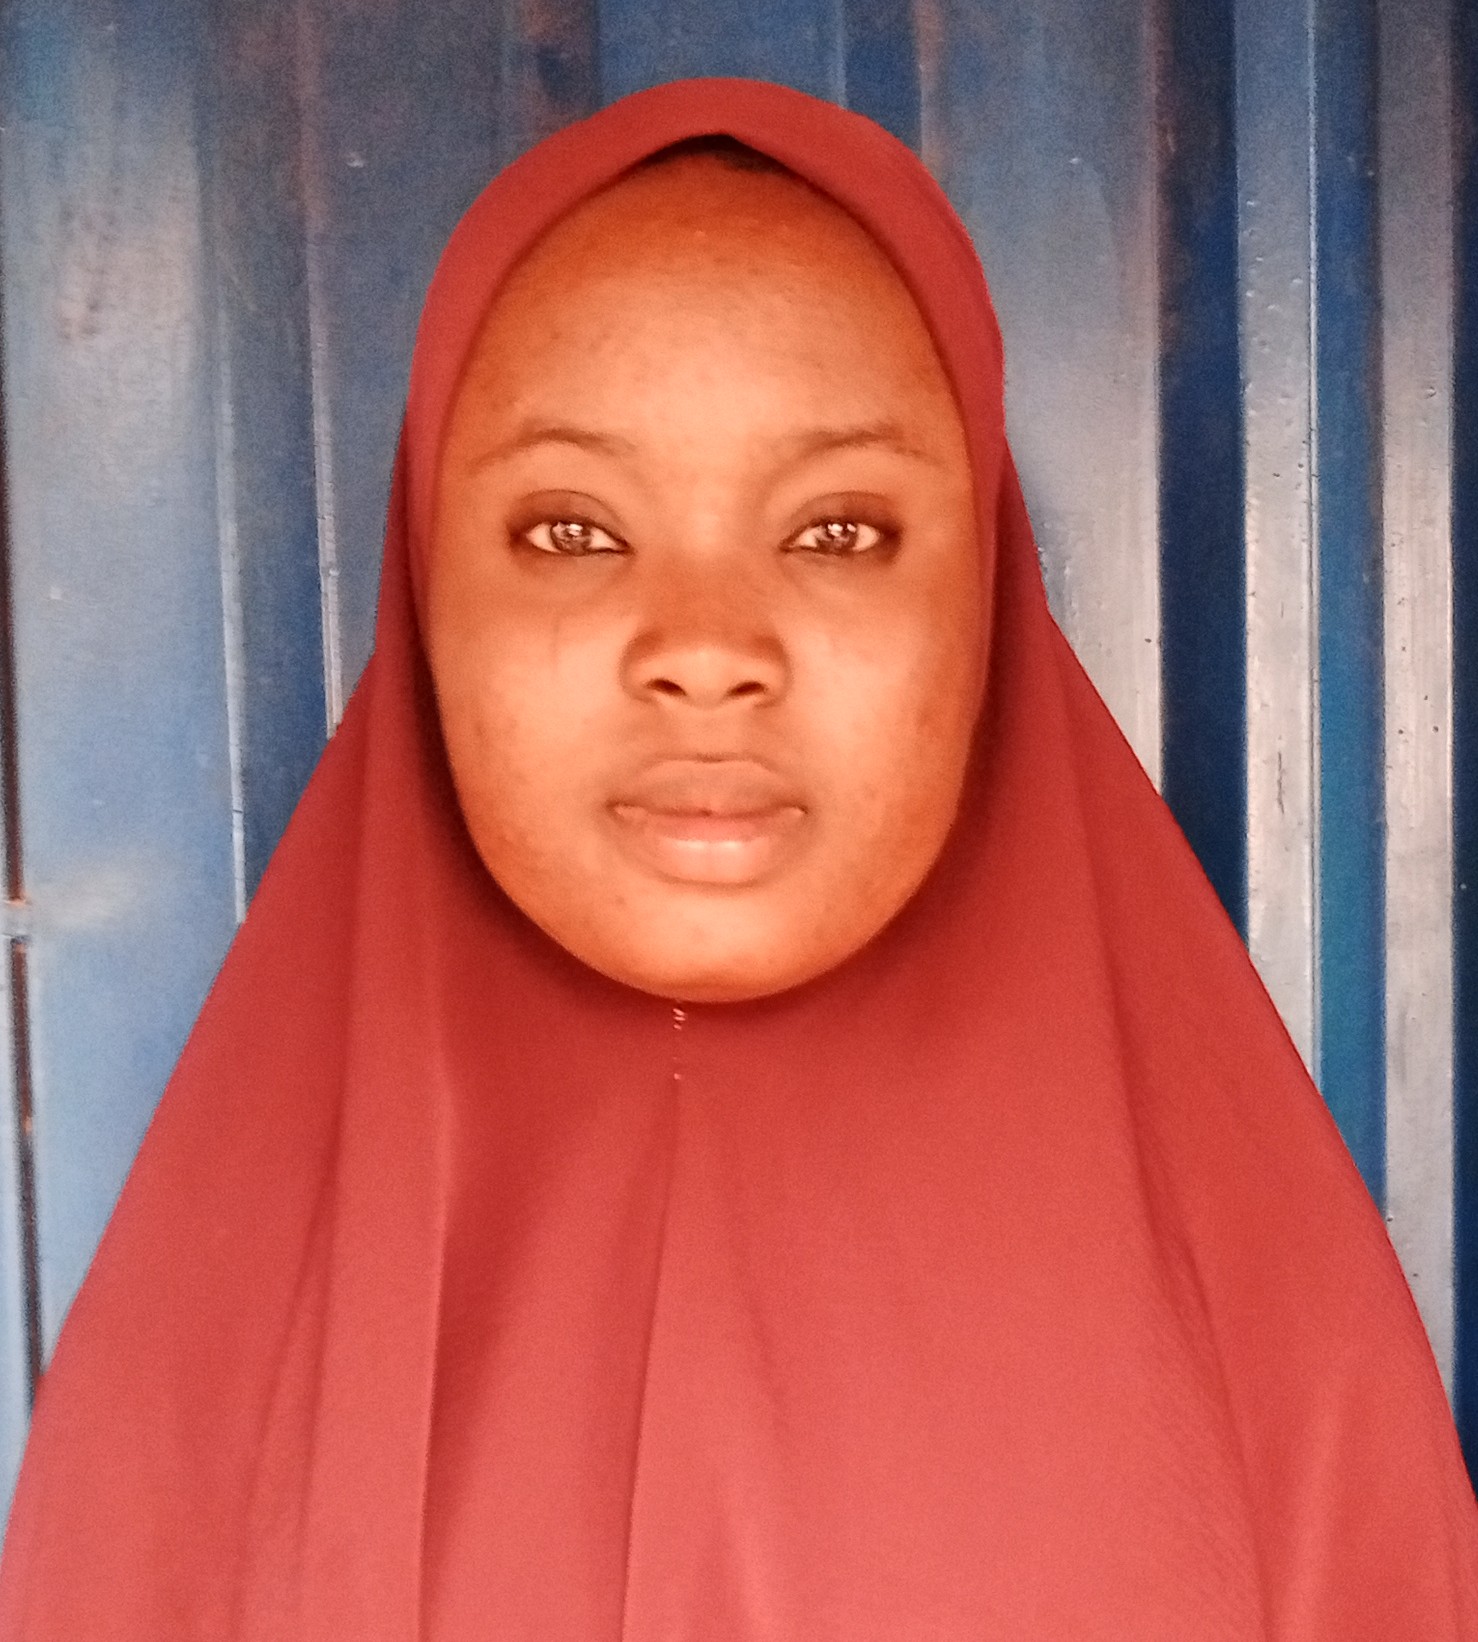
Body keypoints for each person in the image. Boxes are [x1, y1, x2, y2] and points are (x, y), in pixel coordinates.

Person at [1, 76, 1475, 1641]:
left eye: (837, 530)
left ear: (983, 598)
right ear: (426, 595)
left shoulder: (1282, 1373)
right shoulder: (196, 1397)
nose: (705, 649)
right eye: (571, 529)